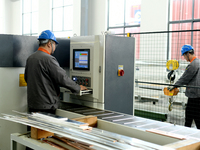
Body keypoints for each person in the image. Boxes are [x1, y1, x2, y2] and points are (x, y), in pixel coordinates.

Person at [24, 30, 87, 115]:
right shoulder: (49, 59)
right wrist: (77, 88)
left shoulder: (30, 58)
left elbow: (26, 78)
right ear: (49, 44)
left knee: (36, 128)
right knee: (45, 128)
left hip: (33, 105)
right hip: (46, 106)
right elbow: (62, 78)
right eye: (54, 44)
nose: (55, 47)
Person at [168, 44, 200, 129]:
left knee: (189, 119)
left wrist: (174, 86)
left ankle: (186, 137)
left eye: (184, 56)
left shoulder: (193, 65)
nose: (184, 58)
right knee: (195, 118)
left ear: (188, 54)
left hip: (194, 96)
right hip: (198, 96)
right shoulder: (199, 62)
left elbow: (184, 78)